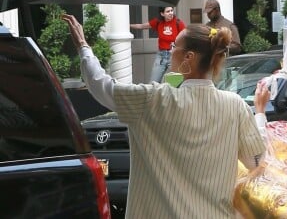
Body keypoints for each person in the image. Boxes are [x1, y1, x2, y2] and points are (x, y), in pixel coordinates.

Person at [63, 14, 268, 219]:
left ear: (189, 57)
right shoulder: (235, 105)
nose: (170, 51)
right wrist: (259, 113)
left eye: (174, 47)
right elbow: (257, 162)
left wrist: (83, 46)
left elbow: (101, 85)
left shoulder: (154, 99)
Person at [130, 6, 185, 82]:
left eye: (171, 10)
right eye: (168, 11)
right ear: (162, 14)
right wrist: (127, 25)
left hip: (174, 56)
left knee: (174, 84)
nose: (171, 13)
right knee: (153, 83)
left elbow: (185, 38)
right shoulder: (158, 22)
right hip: (161, 57)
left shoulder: (178, 23)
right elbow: (141, 26)